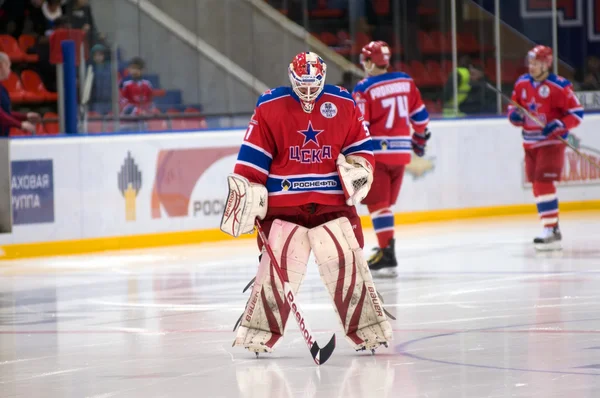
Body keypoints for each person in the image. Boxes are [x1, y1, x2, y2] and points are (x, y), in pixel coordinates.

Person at [220, 52, 393, 355]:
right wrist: (248, 189)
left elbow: (361, 148)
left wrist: (360, 169)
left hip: (333, 205)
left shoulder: (344, 103)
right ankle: (258, 333)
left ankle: (369, 330)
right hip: (285, 206)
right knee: (277, 271)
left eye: (315, 84)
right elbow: (253, 157)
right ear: (291, 77)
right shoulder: (271, 105)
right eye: (303, 84)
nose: (309, 91)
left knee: (347, 264)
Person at [352, 41, 431, 278]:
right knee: (385, 206)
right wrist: (419, 140)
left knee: (378, 205)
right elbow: (421, 117)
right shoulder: (405, 81)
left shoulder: (364, 88)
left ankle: (387, 253)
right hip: (401, 153)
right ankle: (386, 245)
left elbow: (361, 126)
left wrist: (355, 154)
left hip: (377, 154)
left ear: (368, 62)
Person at [508, 45, 584, 251]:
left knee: (543, 182)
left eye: (535, 63)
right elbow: (514, 106)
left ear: (546, 64)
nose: (531, 67)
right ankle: (552, 226)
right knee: (536, 185)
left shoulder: (559, 86)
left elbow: (576, 113)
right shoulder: (522, 83)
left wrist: (560, 124)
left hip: (551, 143)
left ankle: (550, 229)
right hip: (529, 143)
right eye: (530, 63)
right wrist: (514, 116)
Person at [0, 52, 41, 136]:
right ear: (1, 66)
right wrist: (20, 124)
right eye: (8, 66)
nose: (10, 70)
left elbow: (5, 113)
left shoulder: (2, 88)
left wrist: (24, 116)